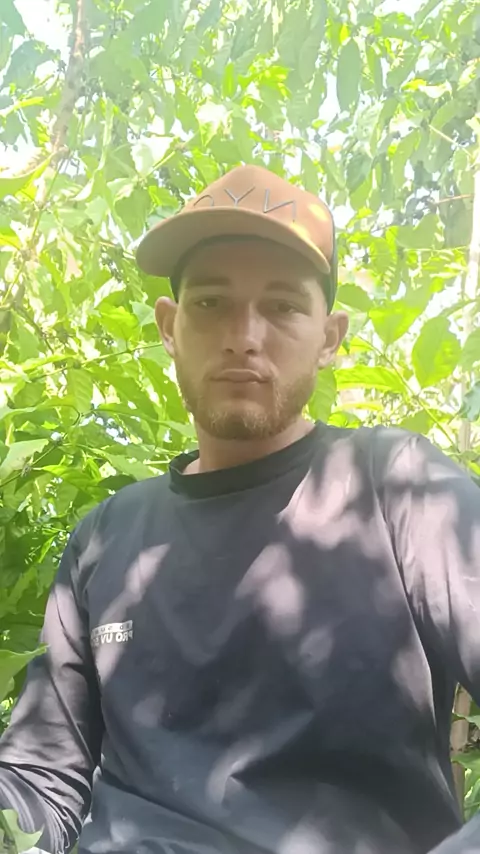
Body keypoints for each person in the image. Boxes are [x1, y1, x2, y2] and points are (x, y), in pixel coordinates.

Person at [0, 164, 479, 854]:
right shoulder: (105, 539)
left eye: (282, 306)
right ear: (170, 325)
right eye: (210, 302)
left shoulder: (399, 489)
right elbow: (43, 781)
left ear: (330, 337)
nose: (244, 335)